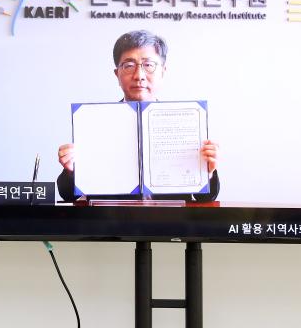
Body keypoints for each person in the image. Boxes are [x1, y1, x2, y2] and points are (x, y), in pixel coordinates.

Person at [56, 30, 219, 202]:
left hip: (172, 225)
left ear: (163, 71)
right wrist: (70, 170)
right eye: (129, 65)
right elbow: (66, 194)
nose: (139, 76)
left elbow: (207, 199)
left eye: (148, 65)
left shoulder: (187, 122)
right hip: (109, 224)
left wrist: (207, 173)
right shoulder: (95, 123)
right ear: (117, 74)